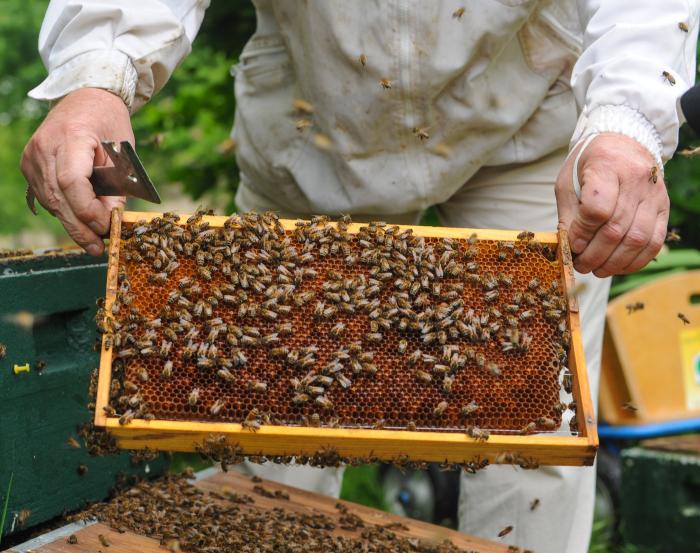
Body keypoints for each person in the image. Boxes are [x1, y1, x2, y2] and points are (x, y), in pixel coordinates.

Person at [21, 2, 698, 551]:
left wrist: (625, 120)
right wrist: (98, 75)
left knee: (536, 414)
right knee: (267, 403)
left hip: (526, 108)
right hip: (315, 115)